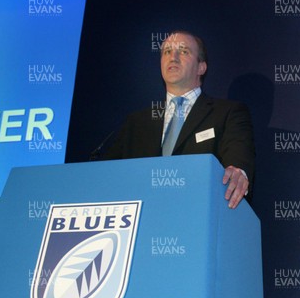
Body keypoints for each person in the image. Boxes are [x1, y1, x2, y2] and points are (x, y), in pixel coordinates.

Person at [103, 31, 255, 209]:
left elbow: (238, 157)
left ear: (201, 67)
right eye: (167, 52)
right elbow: (105, 174)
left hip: (198, 213)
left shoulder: (227, 113)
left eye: (183, 51)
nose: (172, 57)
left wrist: (239, 173)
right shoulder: (136, 122)